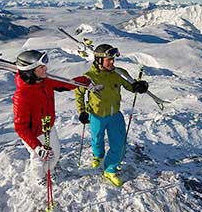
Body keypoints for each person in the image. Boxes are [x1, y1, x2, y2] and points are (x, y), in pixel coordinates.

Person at [12, 49, 90, 186]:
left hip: (47, 125)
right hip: (34, 133)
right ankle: (39, 176)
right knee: (39, 158)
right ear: (30, 71)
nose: (46, 68)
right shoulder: (22, 96)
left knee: (55, 153)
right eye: (41, 67)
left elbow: (64, 84)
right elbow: (20, 127)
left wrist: (84, 81)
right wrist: (37, 147)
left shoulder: (44, 81)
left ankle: (49, 170)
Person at [75, 44, 149, 187]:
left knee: (119, 143)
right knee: (97, 139)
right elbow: (79, 93)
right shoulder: (89, 77)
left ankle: (110, 169)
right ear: (99, 60)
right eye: (109, 60)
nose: (112, 62)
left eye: (113, 60)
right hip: (96, 115)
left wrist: (138, 86)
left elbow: (130, 85)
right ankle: (98, 155)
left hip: (115, 115)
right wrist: (82, 111)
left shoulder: (118, 73)